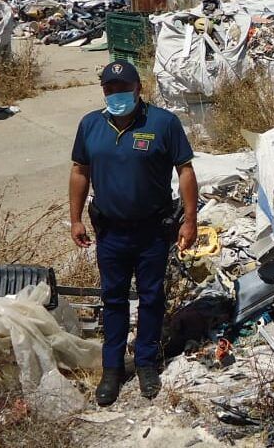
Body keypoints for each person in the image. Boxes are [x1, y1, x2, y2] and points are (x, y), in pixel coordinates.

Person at [69, 61, 198, 406]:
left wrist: (190, 220)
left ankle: (145, 363)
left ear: (138, 88)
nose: (116, 94)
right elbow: (80, 171)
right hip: (111, 232)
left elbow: (185, 170)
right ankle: (112, 369)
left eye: (123, 87)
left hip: (152, 231)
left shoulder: (163, 123)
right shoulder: (90, 125)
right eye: (110, 88)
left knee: (152, 297)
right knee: (113, 299)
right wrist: (75, 219)